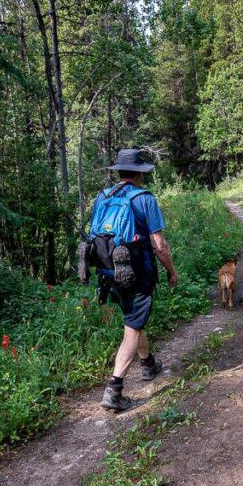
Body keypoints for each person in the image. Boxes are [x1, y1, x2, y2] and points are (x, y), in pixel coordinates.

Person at [89, 149, 179, 412]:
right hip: (137, 275)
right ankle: (114, 390)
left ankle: (149, 363)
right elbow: (159, 245)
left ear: (118, 171)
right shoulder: (144, 199)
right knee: (132, 329)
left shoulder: (103, 197)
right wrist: (171, 271)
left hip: (108, 274)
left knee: (133, 320)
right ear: (141, 173)